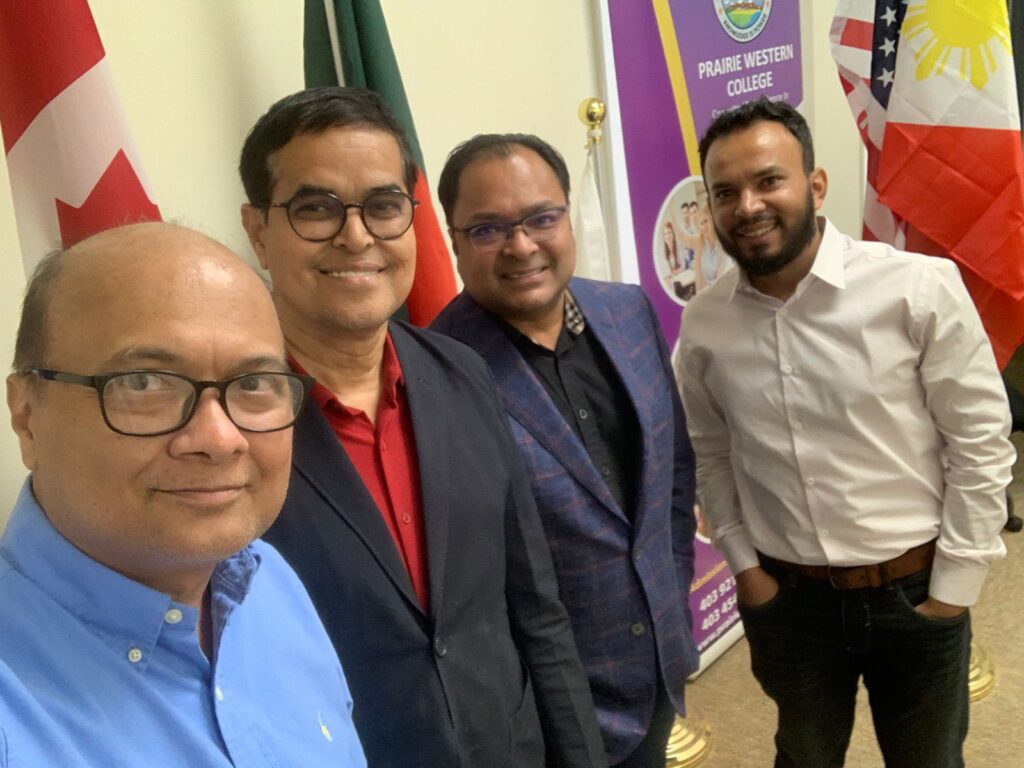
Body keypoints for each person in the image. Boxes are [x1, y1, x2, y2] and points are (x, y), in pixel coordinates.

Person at [238, 87, 605, 768]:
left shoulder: (463, 373)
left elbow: (535, 606)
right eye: (316, 208)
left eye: (383, 206)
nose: (357, 237)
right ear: (258, 230)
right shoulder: (224, 421)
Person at [677, 98, 1015, 768]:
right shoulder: (705, 323)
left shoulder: (915, 288)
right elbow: (711, 455)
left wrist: (953, 592)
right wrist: (746, 569)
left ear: (816, 184)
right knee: (802, 757)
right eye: (725, 192)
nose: (747, 205)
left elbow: (979, 442)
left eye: (768, 180)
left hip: (914, 592)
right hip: (788, 601)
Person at [0, 223, 366, 768]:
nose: (220, 439)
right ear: (27, 415)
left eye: (254, 384)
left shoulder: (269, 582)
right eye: (144, 383)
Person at [431, 133, 699, 767]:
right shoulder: (436, 372)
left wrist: (673, 592)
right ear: (454, 240)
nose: (521, 245)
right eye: (488, 229)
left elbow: (674, 474)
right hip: (548, 712)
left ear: (567, 217)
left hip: (658, 667)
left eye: (541, 218)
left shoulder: (628, 310)